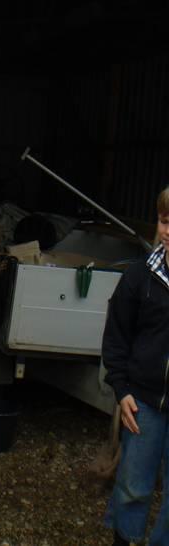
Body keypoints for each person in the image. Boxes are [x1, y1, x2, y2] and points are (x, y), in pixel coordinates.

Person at [103, 185, 169, 546]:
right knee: (133, 487)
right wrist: (121, 388)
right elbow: (115, 338)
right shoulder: (138, 277)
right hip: (142, 403)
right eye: (164, 221)